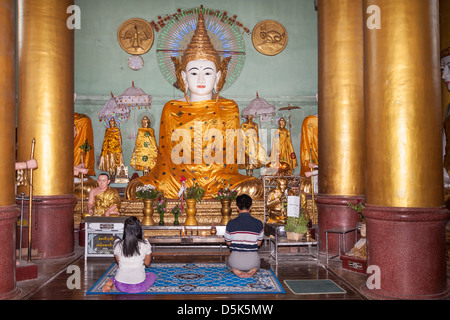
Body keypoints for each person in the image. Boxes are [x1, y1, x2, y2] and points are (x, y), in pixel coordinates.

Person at [125, 9, 263, 200]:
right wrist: (180, 180)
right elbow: (165, 160)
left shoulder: (229, 108)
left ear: (218, 77)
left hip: (219, 180)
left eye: (207, 72)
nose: (200, 78)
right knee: (136, 189)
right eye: (193, 72)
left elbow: (230, 161)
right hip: (176, 180)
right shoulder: (171, 108)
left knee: (253, 187)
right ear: (183, 76)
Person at [102, 216, 155, 293]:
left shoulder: (117, 245)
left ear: (125, 229)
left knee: (123, 273)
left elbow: (119, 262)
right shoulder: (145, 245)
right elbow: (147, 263)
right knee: (151, 275)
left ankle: (112, 281)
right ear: (139, 229)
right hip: (138, 287)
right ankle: (113, 282)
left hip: (120, 285)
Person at [225, 194, 264, 278]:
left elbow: (228, 243)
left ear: (237, 207)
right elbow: (258, 244)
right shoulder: (259, 223)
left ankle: (234, 269)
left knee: (228, 262)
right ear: (251, 207)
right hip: (253, 261)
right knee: (258, 263)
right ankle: (254, 269)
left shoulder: (230, 223)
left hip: (235, 261)